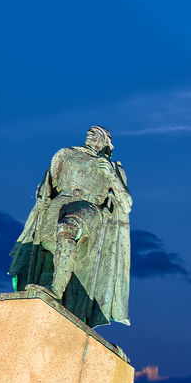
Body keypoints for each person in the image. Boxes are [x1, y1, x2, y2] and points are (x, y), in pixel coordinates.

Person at [8, 126, 132, 327]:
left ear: (107, 143)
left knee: (68, 228)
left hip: (89, 208)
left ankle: (56, 289)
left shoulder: (111, 167)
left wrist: (112, 178)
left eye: (98, 133)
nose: (91, 134)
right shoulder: (65, 154)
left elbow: (126, 204)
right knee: (47, 244)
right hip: (60, 203)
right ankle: (63, 293)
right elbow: (47, 187)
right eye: (91, 131)